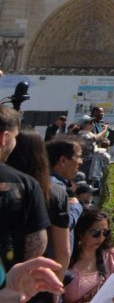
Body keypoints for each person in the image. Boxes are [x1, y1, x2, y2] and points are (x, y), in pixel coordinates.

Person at [6, 130, 70, 283]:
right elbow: (63, 251)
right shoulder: (55, 192)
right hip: (38, 278)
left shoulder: (7, 187)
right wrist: (56, 287)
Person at [0, 107, 50, 273]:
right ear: (4, 138)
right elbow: (37, 245)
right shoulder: (26, 184)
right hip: (7, 284)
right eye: (15, 137)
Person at [63, 209, 114, 303]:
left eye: (105, 232)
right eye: (95, 233)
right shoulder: (67, 260)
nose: (101, 237)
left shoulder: (110, 255)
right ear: (81, 233)